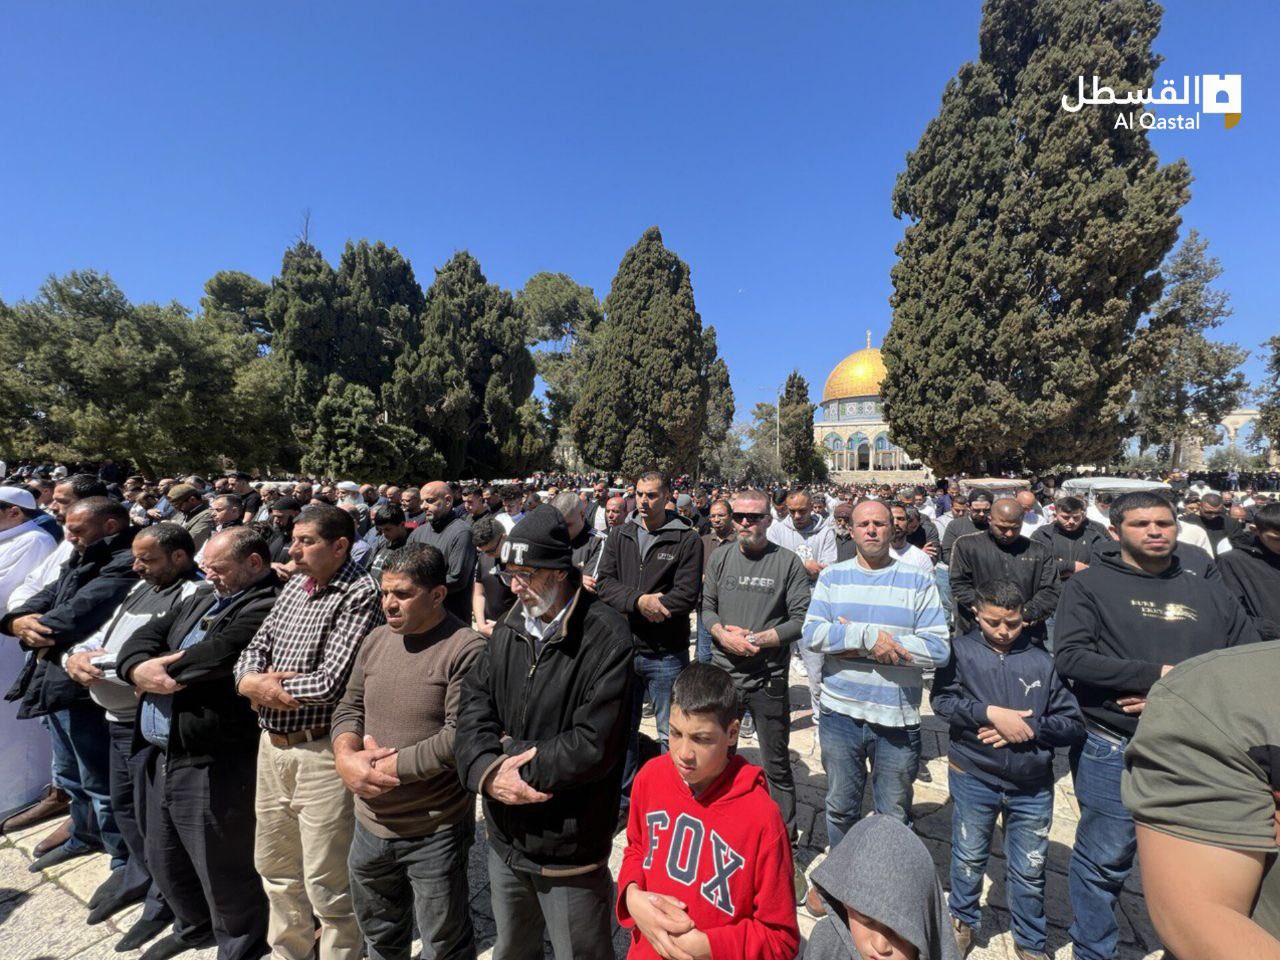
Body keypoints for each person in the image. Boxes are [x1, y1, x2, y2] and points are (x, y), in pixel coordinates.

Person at [1054, 490, 1262, 960]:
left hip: (1198, 748)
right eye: (1141, 524)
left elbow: (1245, 659)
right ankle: (1093, 950)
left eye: (1164, 523)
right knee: (1106, 858)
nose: (1154, 531)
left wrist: (1175, 694)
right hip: (1115, 746)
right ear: (1115, 531)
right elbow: (1071, 657)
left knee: (1197, 864)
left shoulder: (1206, 589)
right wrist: (1157, 675)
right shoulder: (1088, 587)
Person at [455, 506, 634, 960]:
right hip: (504, 835)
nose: (514, 586)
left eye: (525, 575)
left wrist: (509, 761)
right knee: (513, 948)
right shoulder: (512, 623)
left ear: (558, 572)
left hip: (568, 844)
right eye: (508, 574)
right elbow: (474, 702)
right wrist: (485, 770)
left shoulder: (607, 637)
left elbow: (593, 745)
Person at [116, 527, 282, 960]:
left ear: (254, 564)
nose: (209, 575)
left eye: (218, 568)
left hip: (211, 757)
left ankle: (241, 943)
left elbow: (218, 655)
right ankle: (192, 926)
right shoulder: (204, 595)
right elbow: (144, 637)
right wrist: (135, 668)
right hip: (160, 751)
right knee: (163, 854)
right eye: (206, 566)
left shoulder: (267, 603)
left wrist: (157, 672)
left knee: (220, 864)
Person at [234, 503, 385, 960]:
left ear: (340, 546)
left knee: (327, 880)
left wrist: (262, 687)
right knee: (275, 867)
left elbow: (330, 683)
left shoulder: (360, 593)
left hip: (319, 750)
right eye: (294, 540)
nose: (293, 551)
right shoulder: (296, 586)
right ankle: (289, 952)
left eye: (306, 542)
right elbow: (253, 649)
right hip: (272, 747)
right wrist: (249, 681)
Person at [332, 544, 484, 960]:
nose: (389, 604)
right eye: (385, 593)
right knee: (380, 937)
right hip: (369, 824)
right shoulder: (375, 640)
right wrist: (345, 756)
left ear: (437, 595)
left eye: (402, 594)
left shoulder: (465, 647)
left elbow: (459, 736)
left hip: (433, 828)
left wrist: (384, 768)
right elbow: (349, 706)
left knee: (444, 942)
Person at [801, 498, 950, 917]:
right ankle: (840, 881)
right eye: (863, 523)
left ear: (892, 528)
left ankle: (886, 892)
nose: (870, 530)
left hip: (895, 719)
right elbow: (813, 635)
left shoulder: (917, 579)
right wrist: (869, 638)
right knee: (840, 806)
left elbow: (938, 649)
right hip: (840, 714)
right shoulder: (833, 577)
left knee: (893, 813)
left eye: (879, 523)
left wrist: (856, 643)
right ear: (850, 530)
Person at [62, 523, 207, 941]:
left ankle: (172, 903)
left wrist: (102, 666)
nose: (137, 566)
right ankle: (141, 879)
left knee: (154, 820)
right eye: (137, 558)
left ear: (179, 557)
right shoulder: (142, 588)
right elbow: (103, 637)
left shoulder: (193, 594)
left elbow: (161, 662)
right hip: (115, 719)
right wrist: (75, 657)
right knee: (125, 807)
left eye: (148, 559)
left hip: (147, 725)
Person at [931, 580, 1084, 959]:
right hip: (974, 774)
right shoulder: (960, 652)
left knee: (1030, 866)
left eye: (1012, 623)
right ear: (976, 614)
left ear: (1024, 619)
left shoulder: (1043, 662)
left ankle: (1030, 938)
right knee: (968, 856)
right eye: (993, 622)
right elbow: (943, 702)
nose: (1003, 631)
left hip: (1032, 783)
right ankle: (962, 919)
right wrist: (988, 713)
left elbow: (1072, 723)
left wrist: (1028, 728)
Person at [617, 662, 800, 960]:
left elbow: (781, 939)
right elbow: (636, 848)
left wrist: (712, 947)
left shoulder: (763, 819)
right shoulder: (649, 777)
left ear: (732, 733)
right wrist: (631, 894)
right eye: (675, 733)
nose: (684, 753)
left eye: (701, 739)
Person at [3, 497, 140, 873]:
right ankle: (84, 834)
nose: (69, 536)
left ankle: (122, 859)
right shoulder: (82, 553)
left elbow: (76, 613)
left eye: (77, 530)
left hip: (83, 686)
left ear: (110, 526)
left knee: (98, 778)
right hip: (54, 677)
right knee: (69, 773)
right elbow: (48, 593)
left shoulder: (125, 559)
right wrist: (16, 621)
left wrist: (33, 626)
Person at [1123, 641, 1280, 957]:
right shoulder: (1220, 695)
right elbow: (1195, 912)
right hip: (1115, 734)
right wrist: (1153, 673)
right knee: (1104, 861)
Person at [702, 488, 811, 891]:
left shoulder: (787, 563)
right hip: (724, 676)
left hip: (768, 678)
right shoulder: (720, 557)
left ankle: (786, 852)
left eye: (755, 516)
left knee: (776, 766)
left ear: (769, 519)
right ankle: (718, 837)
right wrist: (720, 634)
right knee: (718, 759)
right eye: (740, 516)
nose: (746, 523)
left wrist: (760, 639)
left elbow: (801, 618)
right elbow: (707, 607)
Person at [597, 471, 703, 792]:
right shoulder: (620, 534)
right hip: (623, 650)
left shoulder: (687, 539)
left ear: (667, 496)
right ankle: (626, 796)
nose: (644, 501)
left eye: (652, 495)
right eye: (639, 494)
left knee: (670, 731)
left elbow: (686, 595)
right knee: (622, 730)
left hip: (665, 653)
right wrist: (638, 601)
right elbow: (605, 583)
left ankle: (667, 794)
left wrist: (650, 604)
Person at [803, 814, 960, 960]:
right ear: (845, 903)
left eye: (900, 932)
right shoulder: (825, 943)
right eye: (865, 917)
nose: (880, 945)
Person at [948, 498, 1058, 647]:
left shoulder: (1039, 550)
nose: (1009, 533)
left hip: (1027, 634)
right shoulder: (967, 545)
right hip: (978, 633)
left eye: (1015, 528)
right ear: (990, 520)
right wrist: (990, 612)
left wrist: (1023, 614)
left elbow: (1050, 589)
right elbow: (959, 584)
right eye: (1002, 528)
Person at [767, 489, 837, 717]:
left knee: (816, 667)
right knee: (776, 667)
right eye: (792, 511)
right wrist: (805, 566)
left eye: (802, 511)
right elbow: (772, 566)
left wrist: (790, 565)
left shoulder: (825, 532)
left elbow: (828, 570)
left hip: (813, 608)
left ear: (811, 507)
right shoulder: (777, 530)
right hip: (781, 606)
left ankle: (819, 716)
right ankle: (775, 713)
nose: (797, 516)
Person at [407, 482, 477, 622]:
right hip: (420, 614)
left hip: (450, 618)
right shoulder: (418, 533)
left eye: (430, 501)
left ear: (448, 501)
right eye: (422, 501)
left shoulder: (462, 533)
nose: (423, 506)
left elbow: (457, 579)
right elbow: (406, 567)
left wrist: (419, 588)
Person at [1217, 501, 1280, 640]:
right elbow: (1229, 612)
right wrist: (1271, 630)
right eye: (1277, 539)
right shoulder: (1232, 562)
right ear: (1255, 530)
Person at [696, 498, 736, 663]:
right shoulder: (703, 541)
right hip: (706, 606)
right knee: (704, 655)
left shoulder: (740, 542)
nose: (716, 519)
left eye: (721, 515)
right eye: (713, 516)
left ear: (731, 516)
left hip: (731, 609)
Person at [366, 504, 412, 584]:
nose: (384, 534)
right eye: (381, 530)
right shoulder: (382, 541)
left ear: (402, 525)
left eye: (387, 529)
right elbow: (369, 566)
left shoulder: (410, 546)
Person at [166, 484, 216, 552]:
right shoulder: (186, 511)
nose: (177, 509)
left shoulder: (208, 515)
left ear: (192, 500)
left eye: (177, 505)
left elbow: (190, 543)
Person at [888, 503, 934, 571]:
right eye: (891, 519)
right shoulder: (872, 555)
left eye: (900, 519)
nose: (895, 523)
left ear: (908, 523)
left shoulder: (922, 558)